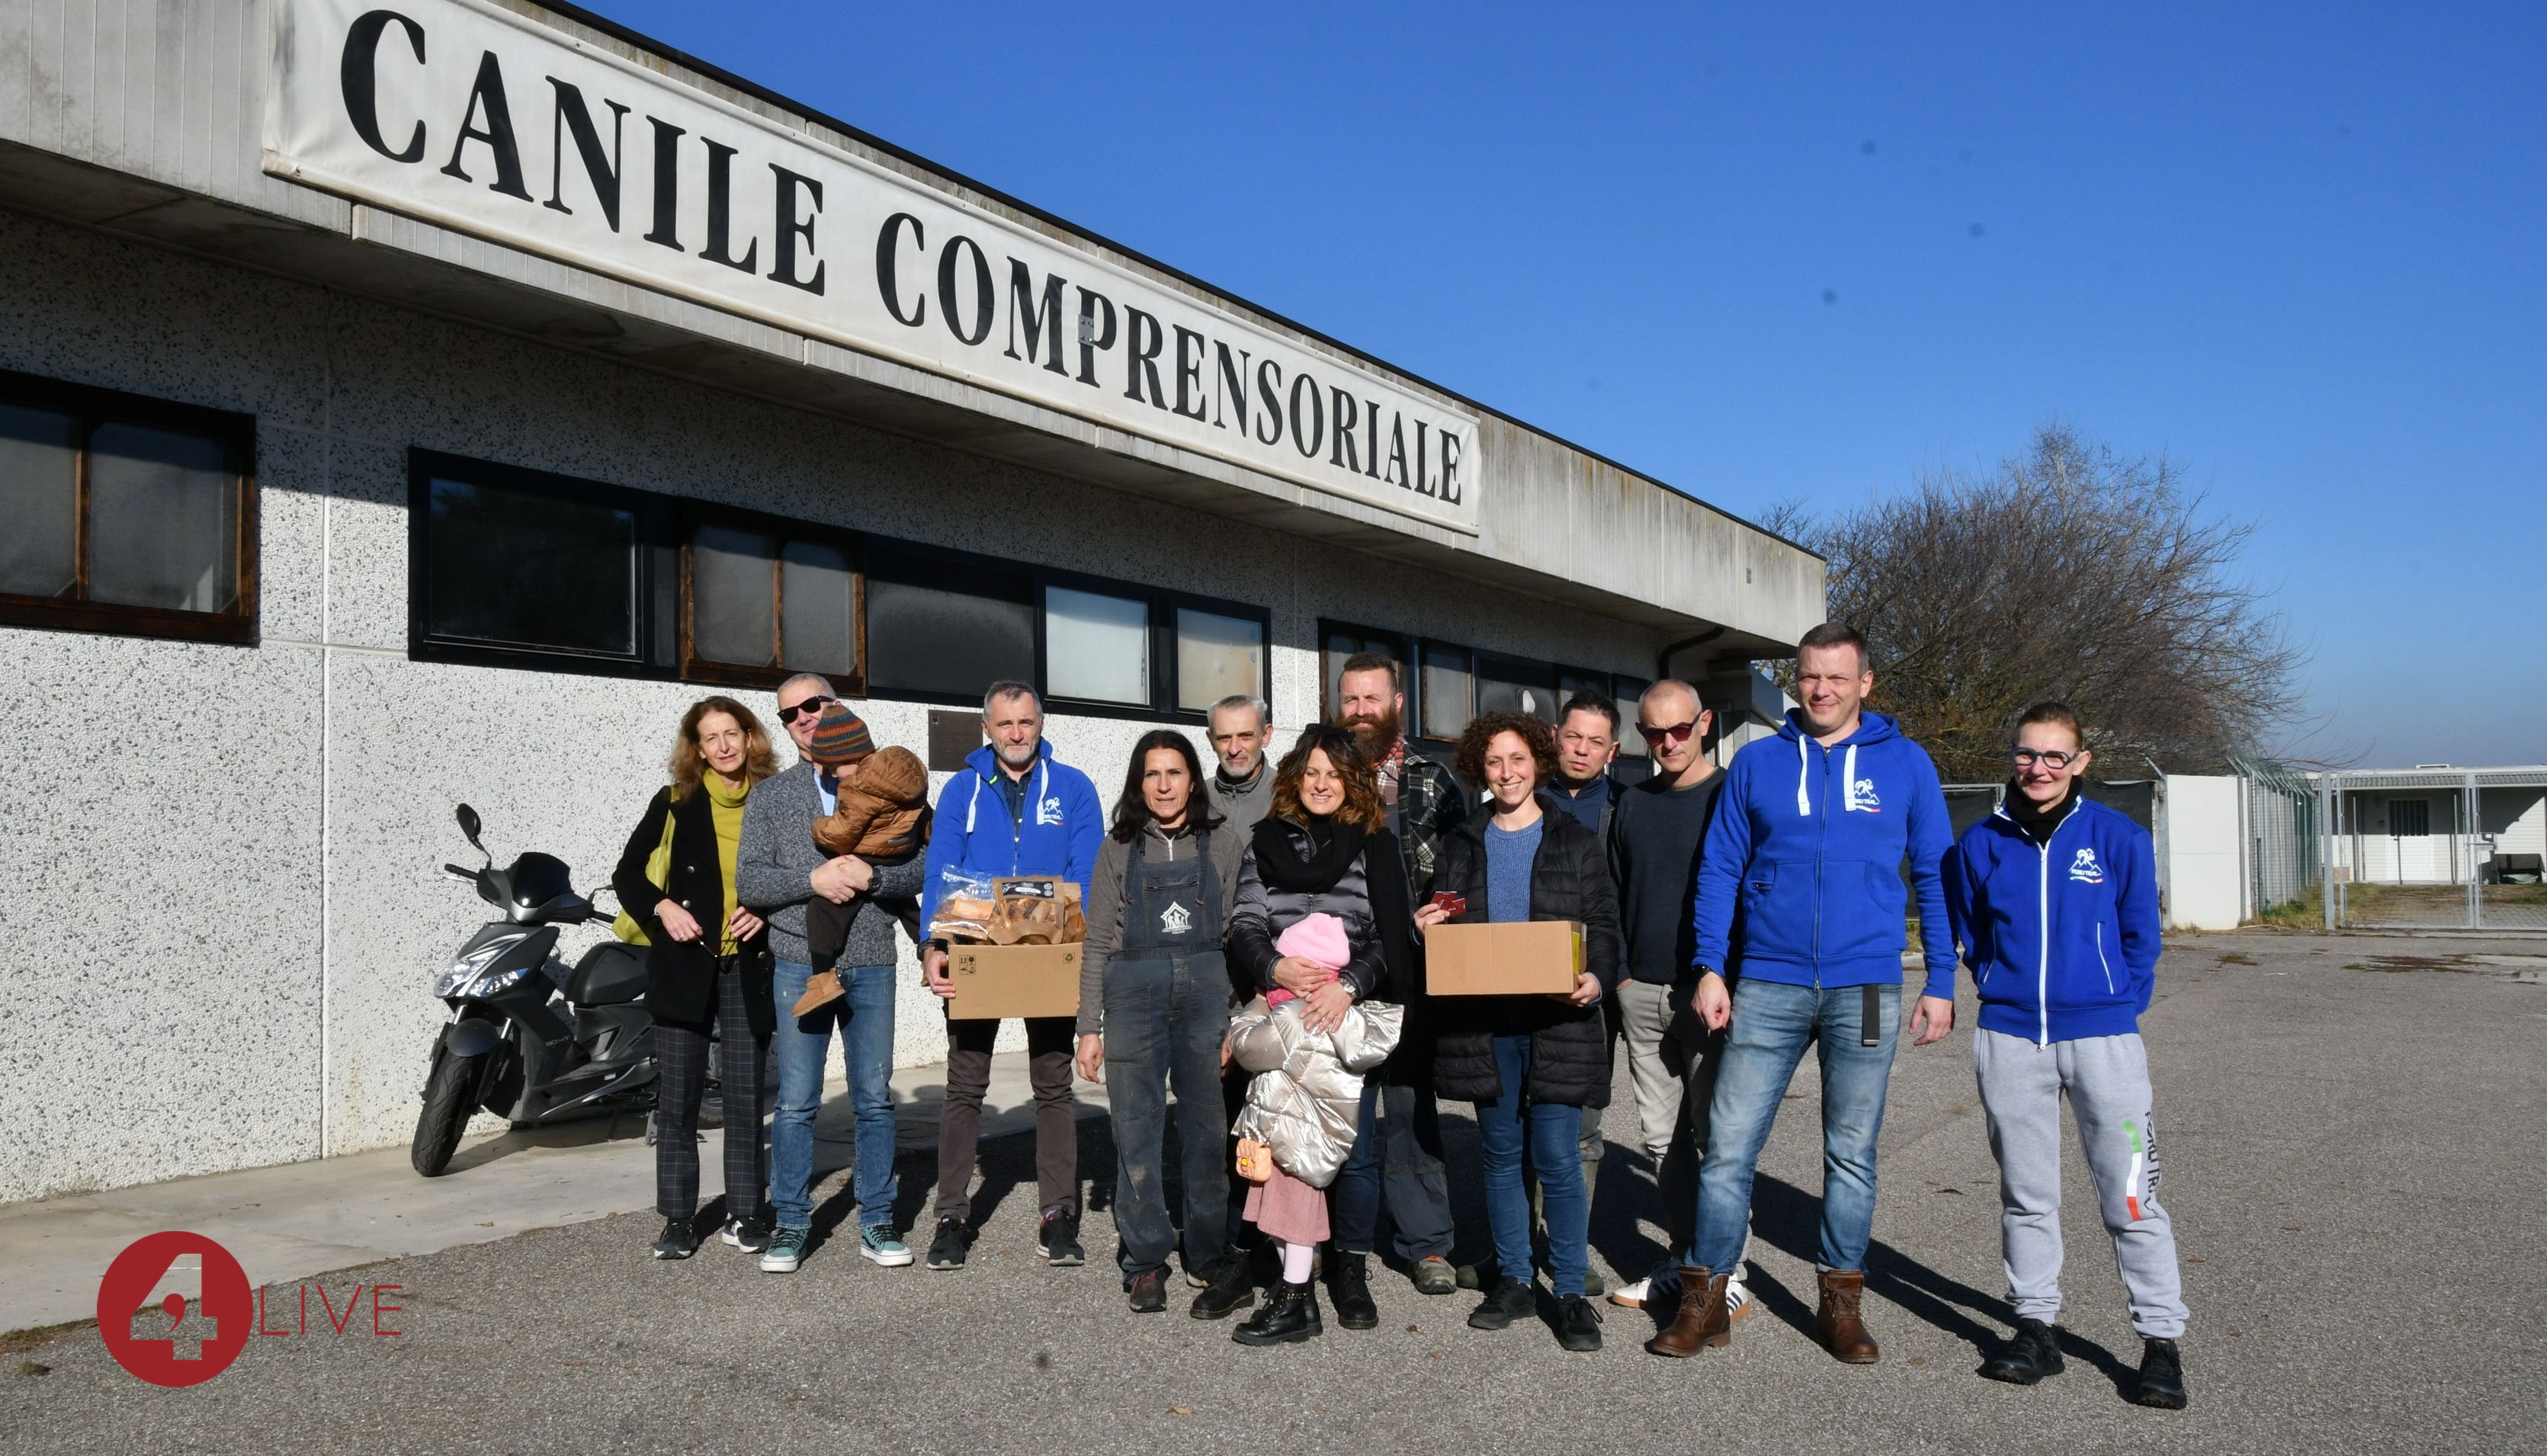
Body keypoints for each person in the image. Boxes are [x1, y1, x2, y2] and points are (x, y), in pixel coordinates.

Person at [1651, 623, 1957, 1362]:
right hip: (1766, 980)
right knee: (1726, 1147)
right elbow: (1718, 866)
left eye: (1835, 677)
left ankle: (1840, 1303)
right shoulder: (1755, 763)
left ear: (1865, 682)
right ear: (1795, 679)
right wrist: (1708, 966)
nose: (1820, 690)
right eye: (1808, 676)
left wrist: (1942, 979)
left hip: (1866, 985)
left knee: (1850, 1151)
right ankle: (1705, 1298)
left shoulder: (1906, 765)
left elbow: (1935, 875)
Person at [1946, 702, 2187, 1409]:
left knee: (2132, 1194)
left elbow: (2142, 936)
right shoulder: (1978, 845)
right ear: (2011, 757)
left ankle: (2159, 1342)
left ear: (2080, 762)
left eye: (2055, 757)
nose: (2039, 769)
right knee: (2027, 1194)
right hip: (2012, 1037)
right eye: (2027, 755)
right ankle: (2034, 1328)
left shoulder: (2118, 838)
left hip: (2104, 1040)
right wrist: (1999, 987)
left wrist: (2114, 1003)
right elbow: (1971, 934)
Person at [1418, 711, 1621, 1352]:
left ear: (1538, 762)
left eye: (1517, 760)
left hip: (1558, 1020)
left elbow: (1604, 927)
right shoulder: (1459, 842)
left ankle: (1566, 1288)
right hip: (1487, 1023)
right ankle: (1511, 1278)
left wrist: (1595, 978)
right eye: (1494, 763)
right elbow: (1446, 920)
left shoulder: (1574, 841)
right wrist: (1426, 925)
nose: (1506, 773)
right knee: (1500, 1157)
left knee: (1557, 1159)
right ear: (1481, 768)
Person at [1226, 725, 1421, 1340]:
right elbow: (1244, 923)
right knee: (1286, 1142)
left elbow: (1394, 938)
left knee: (1355, 1154)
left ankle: (1348, 1268)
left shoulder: (1375, 845)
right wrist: (1273, 966)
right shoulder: (1264, 843)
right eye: (1311, 772)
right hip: (1284, 1007)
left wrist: (1349, 986)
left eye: (1333, 774)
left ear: (1353, 781)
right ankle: (1294, 1283)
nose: (1320, 784)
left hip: (1344, 1011)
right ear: (1293, 777)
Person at [737, 679, 928, 1274]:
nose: (802, 718)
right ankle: (791, 1224)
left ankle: (876, 1219)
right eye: (789, 712)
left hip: (872, 961)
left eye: (812, 705)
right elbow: (751, 883)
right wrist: (812, 882)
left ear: (835, 707)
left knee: (874, 1100)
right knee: (796, 1103)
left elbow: (925, 865)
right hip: (800, 962)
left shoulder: (896, 781)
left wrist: (876, 880)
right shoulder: (771, 797)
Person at [917, 681, 1105, 1272]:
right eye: (1005, 724)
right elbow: (942, 870)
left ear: (1040, 724)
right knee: (964, 1086)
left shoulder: (1072, 787)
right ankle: (950, 1215)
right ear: (986, 727)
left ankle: (1058, 1213)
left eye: (1026, 722)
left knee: (1052, 1085)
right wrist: (931, 944)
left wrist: (1072, 943)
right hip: (977, 951)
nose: (1016, 733)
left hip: (1049, 952)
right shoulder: (961, 789)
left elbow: (1087, 871)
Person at [1073, 730, 1254, 1317]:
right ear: (1137, 783)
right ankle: (1145, 1260)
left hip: (1206, 1000)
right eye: (1151, 775)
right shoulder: (1117, 849)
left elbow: (1237, 933)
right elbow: (1096, 942)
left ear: (1192, 779)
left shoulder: (1223, 842)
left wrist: (1235, 1016)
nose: (1163, 785)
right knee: (1136, 1133)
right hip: (1132, 1000)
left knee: (1205, 1134)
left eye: (1174, 773)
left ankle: (1205, 1254)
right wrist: (1088, 1026)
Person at [614, 696, 779, 1261]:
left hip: (747, 963)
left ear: (750, 737)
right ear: (697, 748)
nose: (725, 746)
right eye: (712, 738)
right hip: (686, 963)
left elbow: (793, 875)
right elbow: (627, 874)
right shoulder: (675, 801)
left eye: (732, 733)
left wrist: (767, 909)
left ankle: (745, 1211)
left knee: (743, 1095)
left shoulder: (772, 800)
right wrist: (663, 909)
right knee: (679, 1097)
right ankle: (679, 1219)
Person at [1606, 681, 1750, 1323]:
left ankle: (1728, 1269)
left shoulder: (1732, 796)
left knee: (1720, 1139)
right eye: (1652, 734)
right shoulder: (1633, 804)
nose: (1666, 744)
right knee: (1663, 1141)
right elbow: (1610, 896)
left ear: (1706, 723)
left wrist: (1732, 978)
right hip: (1642, 990)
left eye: (1678, 731)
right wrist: (1620, 978)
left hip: (1709, 993)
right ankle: (1685, 1257)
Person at [1330, 653, 1461, 1296]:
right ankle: (1337, 1243)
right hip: (1339, 977)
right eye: (1349, 700)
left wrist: (1445, 912)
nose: (1359, 711)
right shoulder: (1321, 776)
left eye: (1370, 699)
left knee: (1410, 1111)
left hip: (1412, 975)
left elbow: (1464, 869)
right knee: (1341, 1113)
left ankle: (1426, 1245)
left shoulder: (1432, 780)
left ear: (1397, 703)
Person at [1206, 694, 1275, 835]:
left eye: (1246, 736)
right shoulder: (1197, 797)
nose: (1234, 749)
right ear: (1211, 740)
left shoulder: (1287, 796)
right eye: (1224, 738)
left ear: (1266, 735)